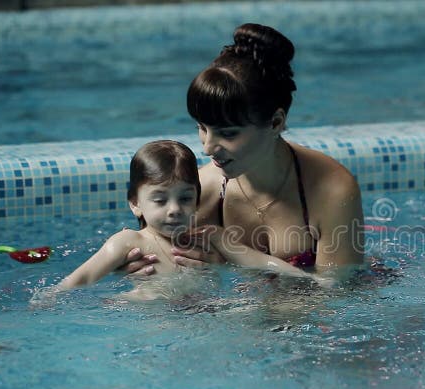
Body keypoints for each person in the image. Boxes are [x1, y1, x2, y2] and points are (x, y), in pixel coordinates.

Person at [121, 23, 364, 278]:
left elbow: (337, 293)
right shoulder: (195, 192)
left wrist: (232, 260)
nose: (207, 148)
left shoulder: (331, 190)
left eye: (228, 133)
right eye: (202, 128)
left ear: (275, 123)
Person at [57, 139, 309, 293]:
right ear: (135, 204)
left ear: (197, 201)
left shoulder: (211, 237)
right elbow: (82, 278)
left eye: (185, 198)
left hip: (204, 313)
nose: (175, 209)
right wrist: (49, 299)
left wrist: (307, 278)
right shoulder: (129, 243)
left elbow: (259, 262)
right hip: (150, 316)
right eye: (160, 200)